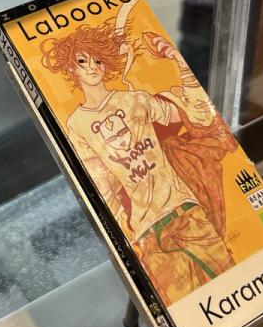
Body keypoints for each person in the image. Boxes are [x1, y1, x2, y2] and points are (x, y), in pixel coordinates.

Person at [41, 20, 236, 306]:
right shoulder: (76, 125)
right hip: (146, 233)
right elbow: (102, 186)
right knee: (186, 308)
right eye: (83, 61)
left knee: (236, 281)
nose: (93, 67)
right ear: (71, 69)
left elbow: (195, 114)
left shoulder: (135, 99)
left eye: (97, 60)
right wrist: (126, 235)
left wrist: (177, 61)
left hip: (184, 212)